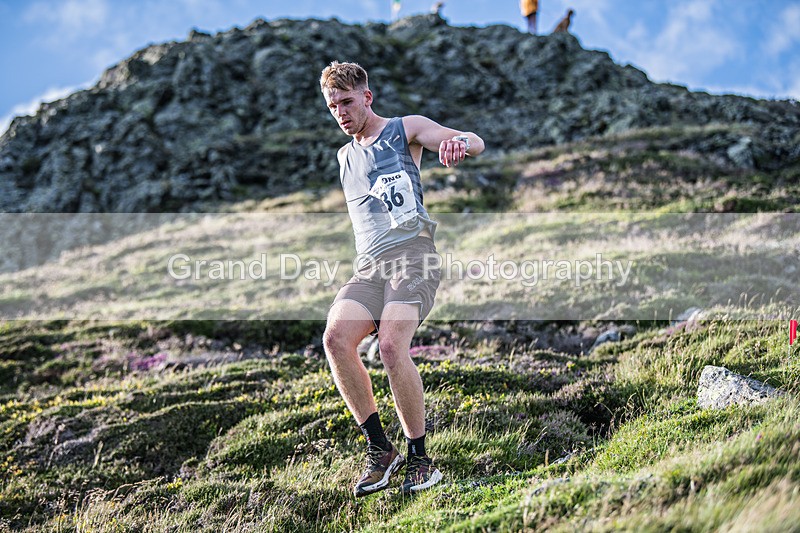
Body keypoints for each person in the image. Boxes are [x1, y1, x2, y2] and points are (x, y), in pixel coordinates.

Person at [319, 61, 485, 497]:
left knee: (391, 346)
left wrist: (458, 145)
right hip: (369, 266)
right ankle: (381, 450)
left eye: (348, 102)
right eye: (333, 105)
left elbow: (475, 142)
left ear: (367, 98)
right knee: (336, 338)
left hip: (414, 256)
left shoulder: (403, 129)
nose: (341, 112)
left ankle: (420, 458)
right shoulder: (343, 155)